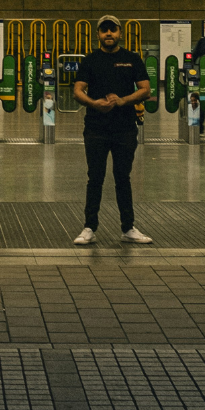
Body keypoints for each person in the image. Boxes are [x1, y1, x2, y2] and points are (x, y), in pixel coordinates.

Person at [72, 15, 154, 246]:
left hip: (124, 129)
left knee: (123, 178)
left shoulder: (132, 59)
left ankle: (128, 228)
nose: (109, 34)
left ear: (120, 33)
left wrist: (122, 100)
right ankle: (89, 228)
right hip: (96, 129)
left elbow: (146, 89)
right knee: (95, 178)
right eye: (104, 30)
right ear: (98, 34)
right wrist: (93, 103)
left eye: (113, 30)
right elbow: (78, 90)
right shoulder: (90, 60)